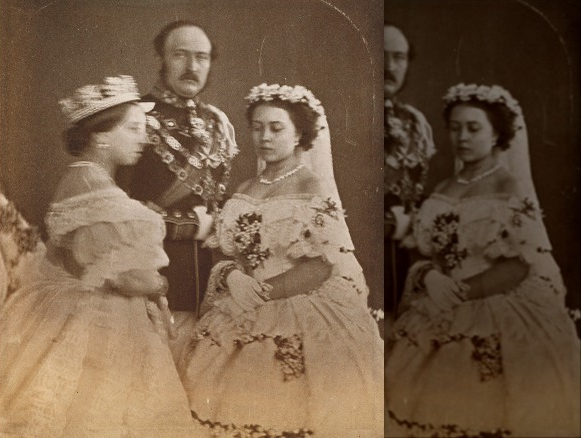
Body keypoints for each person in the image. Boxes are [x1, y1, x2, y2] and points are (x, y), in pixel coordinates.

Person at [0, 75, 201, 437]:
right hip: (98, 317)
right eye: (134, 128)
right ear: (101, 137)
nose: (144, 137)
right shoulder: (90, 183)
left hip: (96, 308)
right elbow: (124, 277)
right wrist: (159, 282)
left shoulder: (90, 178)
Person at [179, 84, 383, 437]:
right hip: (241, 299)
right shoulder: (244, 189)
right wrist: (231, 277)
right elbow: (224, 249)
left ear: (299, 133)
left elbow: (321, 265)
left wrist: (259, 293)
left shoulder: (312, 188)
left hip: (298, 304)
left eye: (276, 128)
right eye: (257, 128)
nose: (264, 137)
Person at [385, 84, 580, 437]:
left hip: (496, 301)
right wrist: (430, 276)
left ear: (496, 135)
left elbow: (520, 264)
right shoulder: (444, 187)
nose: (462, 136)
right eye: (456, 127)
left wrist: (457, 291)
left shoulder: (510, 188)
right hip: (443, 295)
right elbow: (424, 247)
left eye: (474, 128)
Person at [118, 20, 238, 315]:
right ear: (161, 60)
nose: (192, 66)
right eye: (180, 55)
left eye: (202, 57)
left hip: (212, 277)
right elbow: (116, 205)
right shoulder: (135, 117)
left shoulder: (218, 122)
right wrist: (189, 226)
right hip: (154, 272)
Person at [384, 23, 435, 313]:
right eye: (383, 55)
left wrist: (409, 219)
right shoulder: (347, 111)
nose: (390, 66)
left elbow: (416, 188)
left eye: (399, 57)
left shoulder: (415, 122)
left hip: (400, 248)